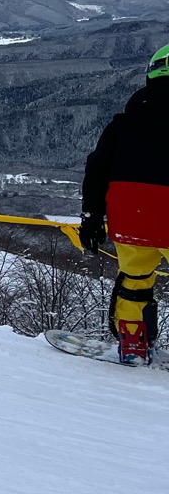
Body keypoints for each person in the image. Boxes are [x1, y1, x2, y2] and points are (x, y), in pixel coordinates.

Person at [81, 42, 169, 364]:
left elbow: (97, 169)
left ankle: (134, 343)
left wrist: (91, 217)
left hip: (132, 218)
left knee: (135, 280)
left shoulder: (123, 124)